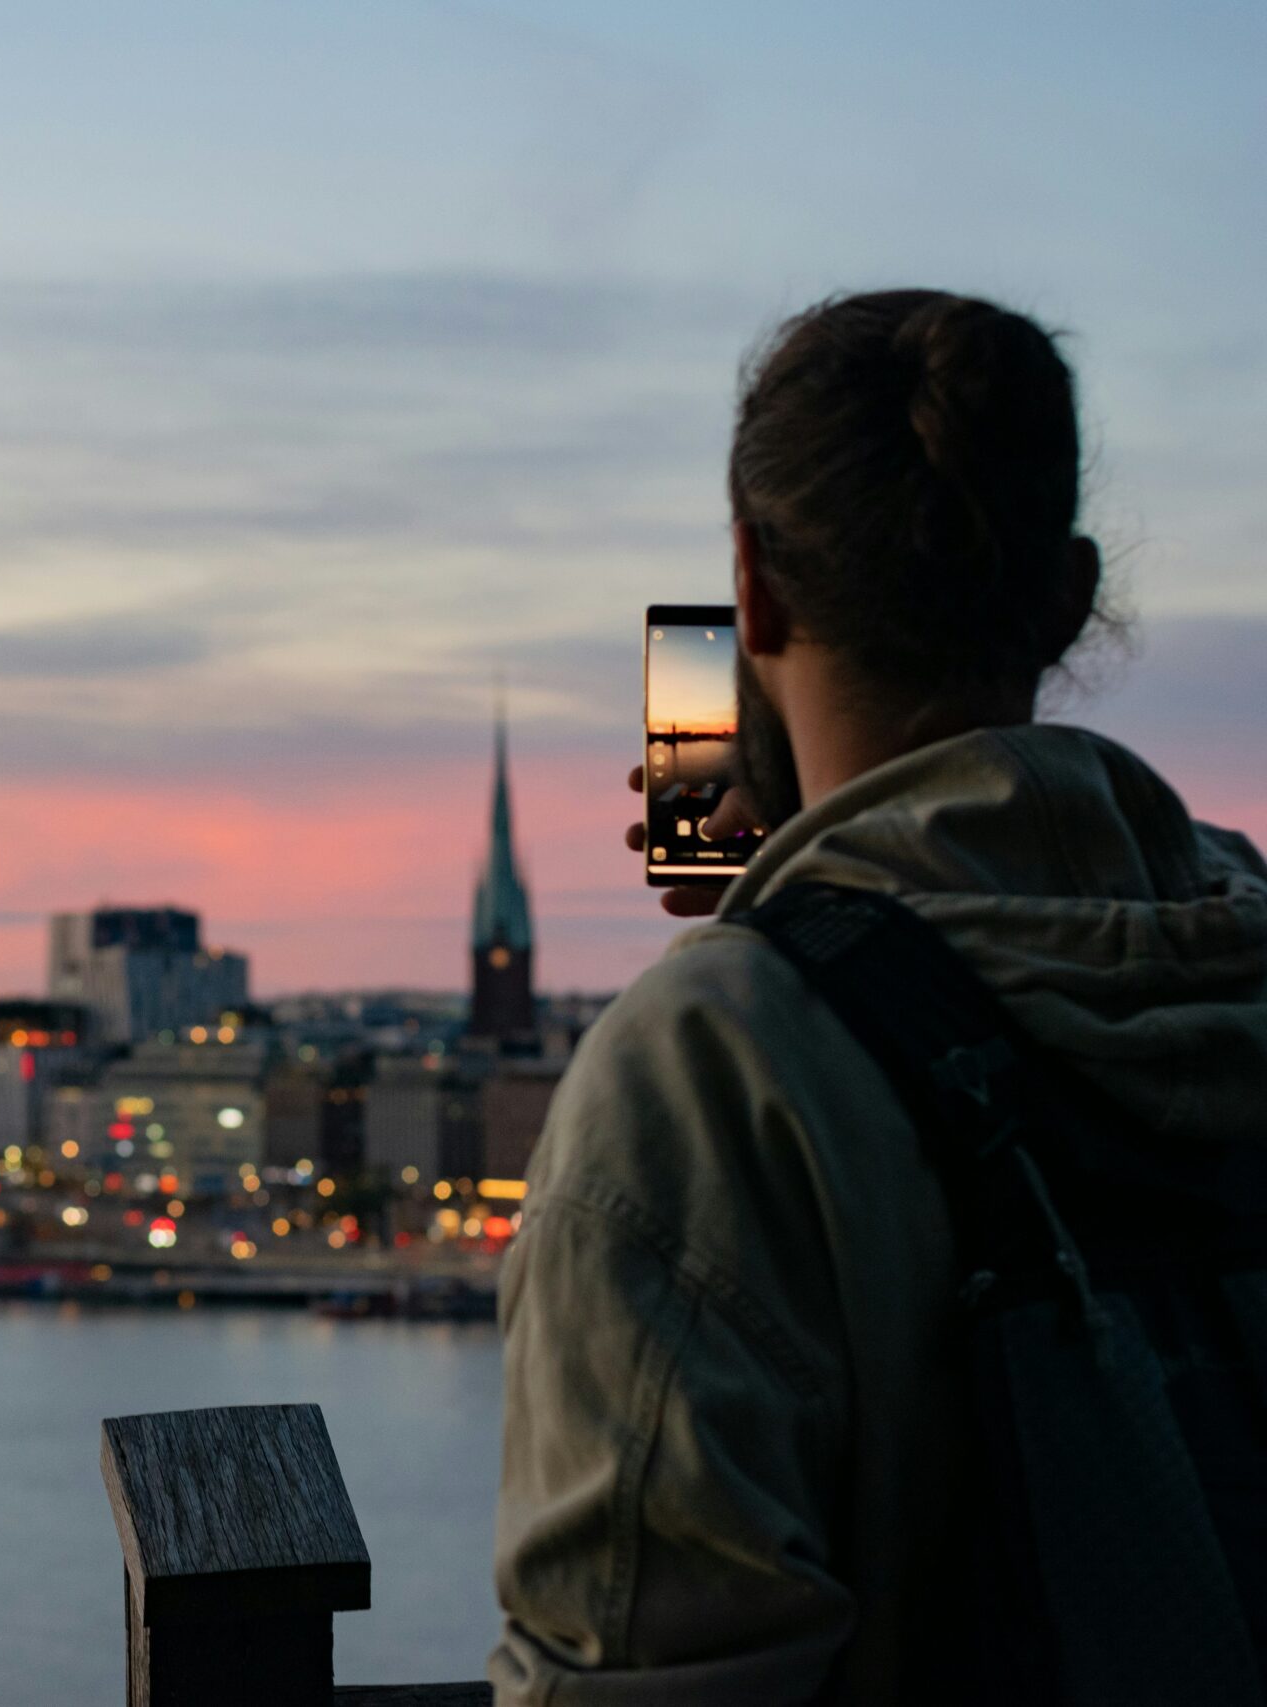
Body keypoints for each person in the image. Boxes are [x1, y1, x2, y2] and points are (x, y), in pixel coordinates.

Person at [490, 289, 1267, 1703]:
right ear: (1072, 592)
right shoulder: (1237, 937)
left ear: (755, 591)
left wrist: (774, 976)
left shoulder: (710, 1073)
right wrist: (806, 922)